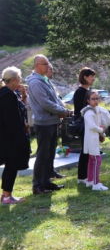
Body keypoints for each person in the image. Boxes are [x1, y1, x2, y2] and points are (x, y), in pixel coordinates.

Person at [27, 55, 72, 194]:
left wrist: (63, 110)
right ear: (36, 66)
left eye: (48, 63)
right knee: (42, 155)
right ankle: (37, 186)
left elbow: (55, 99)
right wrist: (62, 111)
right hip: (44, 122)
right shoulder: (35, 82)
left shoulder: (44, 80)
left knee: (50, 153)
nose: (48, 66)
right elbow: (45, 103)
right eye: (44, 64)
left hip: (51, 121)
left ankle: (46, 182)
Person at [0, 67, 30, 204]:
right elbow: (12, 120)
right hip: (9, 137)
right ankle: (6, 196)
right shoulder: (8, 95)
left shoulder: (5, 93)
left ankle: (6, 196)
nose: (20, 81)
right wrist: (21, 138)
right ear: (13, 80)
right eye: (19, 78)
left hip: (5, 136)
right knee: (11, 165)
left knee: (10, 165)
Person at [81, 90, 108, 191]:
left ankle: (90, 180)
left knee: (92, 160)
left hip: (94, 138)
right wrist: (101, 130)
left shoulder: (95, 110)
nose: (96, 101)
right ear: (88, 100)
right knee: (97, 160)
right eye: (93, 99)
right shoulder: (88, 112)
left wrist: (102, 133)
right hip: (91, 139)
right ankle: (96, 183)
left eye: (97, 98)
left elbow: (98, 123)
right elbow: (93, 126)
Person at [74, 67, 96, 184]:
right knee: (85, 149)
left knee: (89, 149)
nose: (93, 78)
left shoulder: (88, 91)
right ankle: (82, 177)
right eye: (91, 76)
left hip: (90, 122)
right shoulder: (79, 92)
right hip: (84, 123)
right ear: (85, 77)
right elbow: (80, 110)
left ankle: (88, 174)